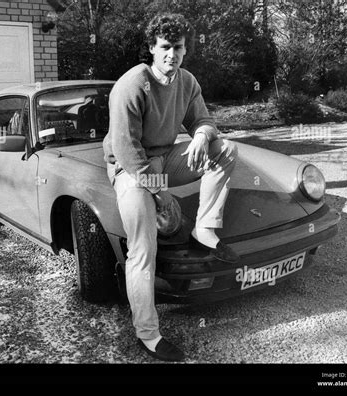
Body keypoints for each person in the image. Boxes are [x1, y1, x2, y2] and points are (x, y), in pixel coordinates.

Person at [103, 13, 239, 362]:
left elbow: (205, 119)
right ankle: (147, 334)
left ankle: (205, 230)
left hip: (166, 157)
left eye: (177, 48)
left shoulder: (187, 80)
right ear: (151, 48)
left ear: (185, 49)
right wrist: (162, 194)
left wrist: (201, 136)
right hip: (130, 169)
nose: (171, 55)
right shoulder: (132, 84)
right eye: (164, 47)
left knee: (225, 149)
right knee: (142, 249)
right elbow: (127, 152)